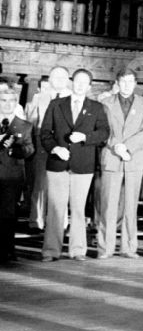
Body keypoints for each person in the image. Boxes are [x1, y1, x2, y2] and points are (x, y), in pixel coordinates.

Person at [40, 69, 109, 261]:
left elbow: (104, 133)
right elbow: (45, 133)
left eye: (84, 83)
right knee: (55, 209)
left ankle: (78, 250)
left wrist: (86, 137)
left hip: (83, 166)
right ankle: (51, 251)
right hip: (57, 164)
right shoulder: (56, 105)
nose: (80, 85)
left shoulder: (96, 107)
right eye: (77, 81)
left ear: (89, 86)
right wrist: (55, 149)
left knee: (78, 209)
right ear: (72, 83)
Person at [97, 68, 143, 259]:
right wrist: (116, 146)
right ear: (117, 83)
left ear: (135, 83)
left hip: (135, 158)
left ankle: (129, 247)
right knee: (108, 205)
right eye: (123, 81)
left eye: (130, 81)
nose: (127, 85)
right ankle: (105, 248)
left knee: (131, 206)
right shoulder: (105, 103)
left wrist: (127, 147)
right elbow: (102, 129)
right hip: (112, 157)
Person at [26, 66, 72, 231]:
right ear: (50, 80)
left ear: (68, 80)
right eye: (55, 77)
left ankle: (61, 221)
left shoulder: (74, 97)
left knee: (62, 184)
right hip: (42, 145)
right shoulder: (40, 97)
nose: (58, 81)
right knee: (40, 183)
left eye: (62, 77)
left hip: (65, 145)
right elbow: (31, 122)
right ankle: (36, 220)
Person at [0, 88, 33, 262]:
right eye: (3, 100)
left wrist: (15, 149)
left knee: (8, 215)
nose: (7, 104)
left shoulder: (24, 126)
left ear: (16, 103)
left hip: (12, 176)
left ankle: (8, 250)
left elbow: (29, 149)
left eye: (11, 100)